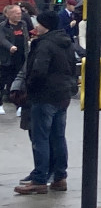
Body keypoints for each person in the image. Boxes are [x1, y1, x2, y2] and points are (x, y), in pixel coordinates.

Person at [13, 10, 77, 195]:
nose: (36, 26)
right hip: (62, 95)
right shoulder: (66, 42)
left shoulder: (44, 44)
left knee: (40, 138)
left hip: (44, 96)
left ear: (46, 25)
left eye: (39, 23)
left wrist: (29, 89)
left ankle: (40, 179)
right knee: (58, 137)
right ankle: (59, 177)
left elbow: (38, 71)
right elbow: (72, 68)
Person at [0, 2, 32, 110]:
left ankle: (19, 105)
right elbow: (2, 39)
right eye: (17, 13)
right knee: (2, 80)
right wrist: (10, 46)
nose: (19, 15)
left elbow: (27, 36)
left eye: (20, 13)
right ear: (9, 15)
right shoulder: (3, 26)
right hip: (7, 59)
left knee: (18, 82)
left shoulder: (23, 24)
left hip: (21, 58)